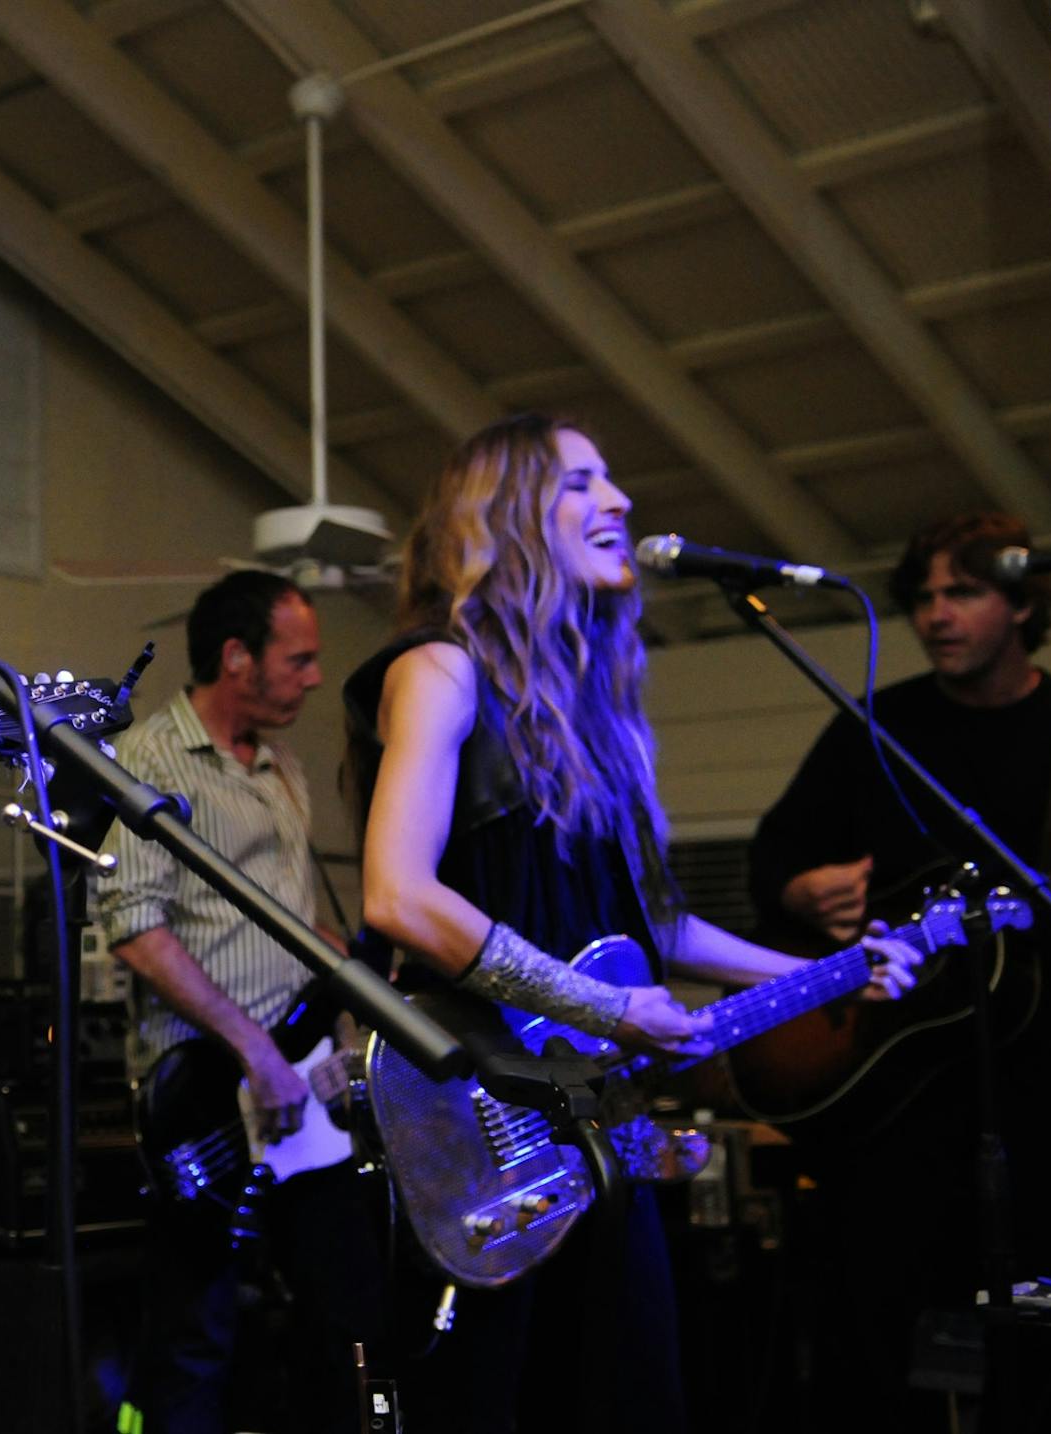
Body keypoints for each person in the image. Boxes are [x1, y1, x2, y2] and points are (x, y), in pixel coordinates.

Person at [342, 413, 919, 1433]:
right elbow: (397, 895)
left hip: (590, 1124)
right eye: (581, 483)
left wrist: (831, 970)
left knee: (631, 1391)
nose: (618, 502)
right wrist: (603, 1005)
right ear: (507, 513)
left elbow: (663, 929)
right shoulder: (436, 669)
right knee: (487, 1402)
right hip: (475, 1114)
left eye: (612, 482)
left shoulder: (596, 719)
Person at [747, 511, 1051, 1430]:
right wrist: (805, 891)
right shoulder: (878, 724)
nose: (937, 615)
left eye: (963, 592)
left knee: (1043, 1334)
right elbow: (773, 857)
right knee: (875, 1337)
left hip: (1040, 1093)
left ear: (1020, 603)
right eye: (924, 596)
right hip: (888, 1098)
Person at [94, 569, 375, 1434]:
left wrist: (370, 1004)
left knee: (347, 1320)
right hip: (208, 1099)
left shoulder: (283, 763)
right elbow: (134, 927)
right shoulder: (149, 758)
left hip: (310, 1092)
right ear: (235, 657)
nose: (316, 677)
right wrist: (254, 1050)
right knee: (193, 1338)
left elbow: (302, 920)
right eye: (300, 659)